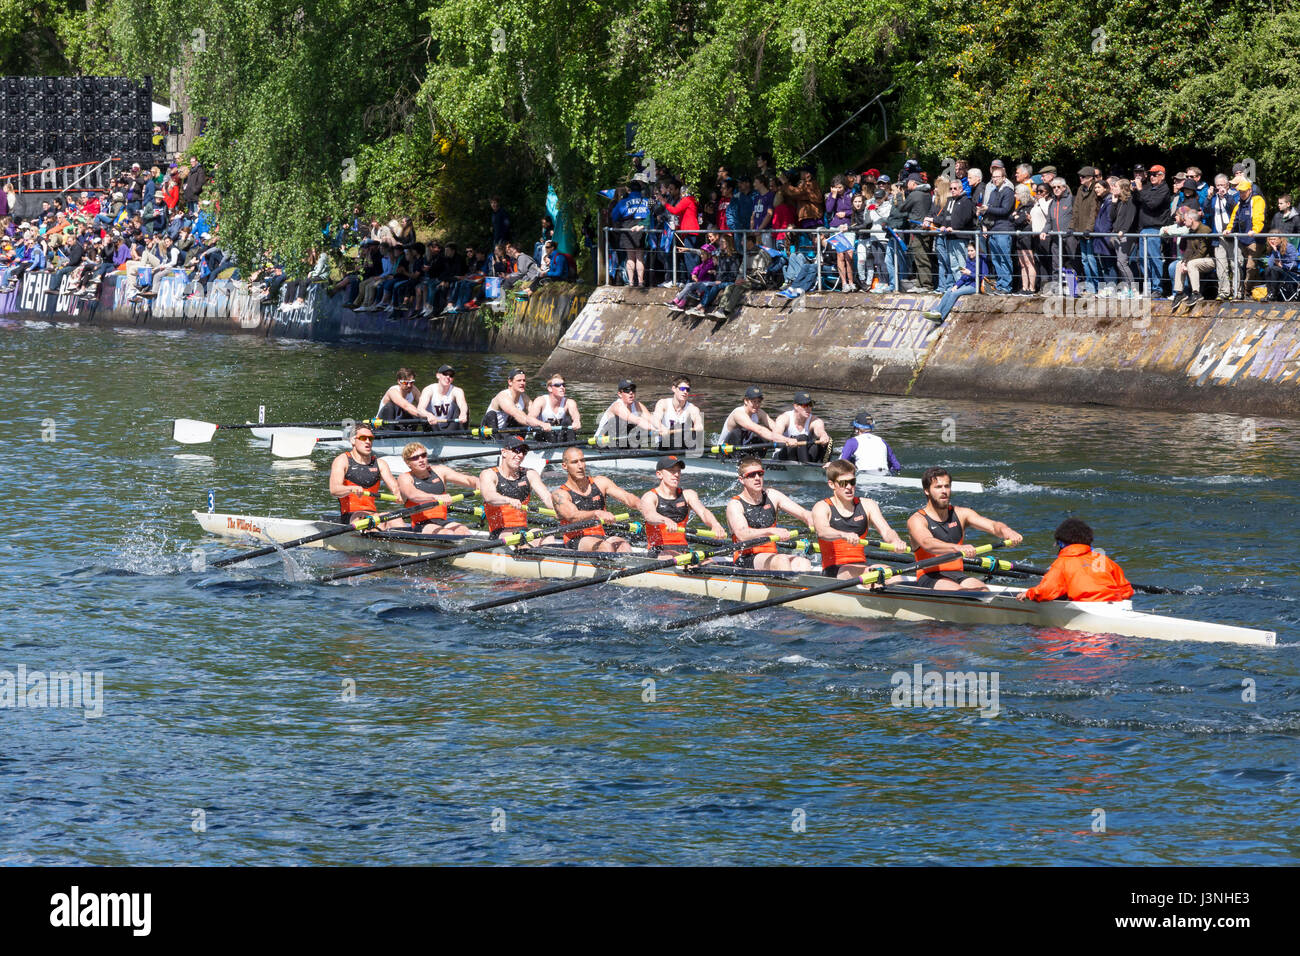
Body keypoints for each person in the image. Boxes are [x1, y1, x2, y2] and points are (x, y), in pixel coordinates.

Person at [906, 467, 1022, 591]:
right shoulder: (917, 519)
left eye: (947, 486)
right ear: (927, 491)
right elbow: (927, 543)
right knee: (962, 593)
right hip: (929, 576)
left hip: (957, 574)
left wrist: (1007, 531)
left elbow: (993, 526)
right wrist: (957, 548)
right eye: (938, 487)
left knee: (983, 591)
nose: (944, 491)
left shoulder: (962, 514)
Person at [811, 460, 905, 578]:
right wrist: (844, 534)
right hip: (835, 571)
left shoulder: (868, 505)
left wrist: (895, 541)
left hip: (861, 567)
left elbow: (887, 531)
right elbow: (822, 531)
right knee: (861, 572)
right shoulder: (822, 507)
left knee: (893, 574)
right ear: (832, 484)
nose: (849, 487)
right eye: (843, 483)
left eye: (852, 482)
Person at [725, 457, 814, 572]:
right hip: (745, 558)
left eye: (760, 474)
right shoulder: (735, 504)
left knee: (803, 562)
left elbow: (804, 513)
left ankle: (801, 589)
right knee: (781, 560)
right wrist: (771, 531)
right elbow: (743, 534)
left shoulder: (772, 495)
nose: (757, 478)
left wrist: (812, 519)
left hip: (771, 556)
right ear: (742, 480)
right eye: (751, 475)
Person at [1017, 519, 1134, 602]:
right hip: (1114, 605)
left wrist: (1028, 594)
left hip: (1087, 615)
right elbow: (1127, 591)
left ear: (1061, 543)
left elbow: (1046, 592)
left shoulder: (1062, 563)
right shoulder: (1103, 559)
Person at [551, 447, 642, 553]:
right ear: (565, 466)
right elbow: (573, 516)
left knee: (624, 546)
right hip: (577, 540)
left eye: (582, 460)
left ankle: (621, 568)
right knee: (605, 547)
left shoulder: (601, 482)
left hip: (601, 536)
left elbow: (627, 498)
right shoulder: (559, 494)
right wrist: (596, 513)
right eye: (575, 462)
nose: (580, 466)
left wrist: (643, 506)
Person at [638, 455, 725, 555]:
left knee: (709, 563)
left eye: (678, 471)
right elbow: (649, 515)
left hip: (683, 549)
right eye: (671, 471)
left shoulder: (688, 494)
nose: (676, 474)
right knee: (670, 557)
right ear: (659, 474)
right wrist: (665, 520)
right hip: (659, 550)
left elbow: (703, 512)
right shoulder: (650, 496)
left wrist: (715, 524)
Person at [478, 436, 555, 538]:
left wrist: (562, 509)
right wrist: (508, 500)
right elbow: (489, 496)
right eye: (516, 450)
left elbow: (547, 498)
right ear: (504, 452)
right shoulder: (489, 474)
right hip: (500, 533)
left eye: (524, 452)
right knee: (518, 538)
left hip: (522, 531)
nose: (520, 455)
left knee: (548, 536)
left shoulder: (530, 474)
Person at [395, 441, 479, 534]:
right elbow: (412, 494)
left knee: (463, 531)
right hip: (421, 524)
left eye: (423, 455)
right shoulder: (405, 477)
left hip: (441, 521)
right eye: (415, 458)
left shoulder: (440, 470)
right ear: (408, 463)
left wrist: (478, 482)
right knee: (447, 533)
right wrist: (436, 497)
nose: (421, 459)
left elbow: (467, 479)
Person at [328, 424, 403, 528]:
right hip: (351, 516)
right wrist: (351, 488)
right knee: (369, 519)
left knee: (396, 518)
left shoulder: (380, 463)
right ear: (353, 440)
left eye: (371, 438)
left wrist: (400, 494)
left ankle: (406, 541)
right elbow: (334, 489)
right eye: (363, 438)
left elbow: (395, 487)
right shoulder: (342, 460)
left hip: (373, 514)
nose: (368, 441)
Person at [717, 385, 799, 450]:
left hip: (742, 447)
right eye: (753, 401)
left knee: (763, 439)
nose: (757, 405)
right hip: (725, 449)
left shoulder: (759, 412)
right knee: (737, 432)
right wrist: (787, 440)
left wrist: (790, 437)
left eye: (759, 402)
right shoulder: (738, 414)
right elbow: (759, 430)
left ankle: (759, 461)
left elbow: (775, 428)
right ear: (746, 401)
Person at [595, 379, 667, 446]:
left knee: (637, 426)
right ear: (620, 394)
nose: (631, 392)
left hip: (622, 440)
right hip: (602, 441)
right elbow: (638, 420)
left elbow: (651, 419)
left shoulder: (637, 405)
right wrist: (655, 430)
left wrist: (663, 428)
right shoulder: (617, 406)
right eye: (627, 390)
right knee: (626, 422)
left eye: (633, 390)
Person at [482, 368, 551, 434]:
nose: (522, 383)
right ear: (510, 382)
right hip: (491, 431)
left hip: (506, 432)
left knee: (526, 420)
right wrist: (541, 424)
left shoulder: (525, 398)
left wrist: (546, 423)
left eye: (524, 380)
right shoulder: (503, 396)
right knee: (519, 418)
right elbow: (517, 415)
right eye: (519, 380)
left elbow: (534, 414)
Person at [770, 391, 832, 463]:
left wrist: (823, 436)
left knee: (829, 440)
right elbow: (775, 436)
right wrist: (788, 440)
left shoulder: (815, 420)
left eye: (810, 404)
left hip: (803, 455)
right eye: (805, 405)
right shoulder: (784, 418)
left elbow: (820, 430)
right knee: (802, 437)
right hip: (783, 455)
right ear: (795, 406)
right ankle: (806, 467)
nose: (808, 408)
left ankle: (823, 467)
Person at [650, 376, 705, 451]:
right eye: (682, 389)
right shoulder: (663, 403)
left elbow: (698, 421)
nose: (685, 392)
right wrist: (661, 428)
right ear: (674, 389)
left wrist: (699, 426)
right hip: (664, 444)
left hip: (682, 444)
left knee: (693, 434)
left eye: (687, 389)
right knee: (677, 427)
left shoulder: (693, 409)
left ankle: (694, 458)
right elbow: (655, 419)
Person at [528, 374, 582, 442]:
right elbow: (529, 419)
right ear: (550, 388)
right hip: (542, 437)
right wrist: (542, 424)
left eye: (563, 385)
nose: (562, 387)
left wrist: (576, 421)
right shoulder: (541, 401)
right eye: (557, 385)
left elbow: (575, 415)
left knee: (568, 422)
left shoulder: (569, 402)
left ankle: (573, 447)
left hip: (560, 437)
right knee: (549, 423)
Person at [416, 364, 469, 431]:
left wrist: (463, 413)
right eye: (445, 374)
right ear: (437, 375)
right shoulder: (429, 390)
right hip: (432, 426)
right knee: (426, 414)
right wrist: (428, 415)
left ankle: (462, 435)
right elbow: (419, 409)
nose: (448, 377)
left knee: (464, 408)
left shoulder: (457, 391)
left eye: (451, 375)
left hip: (449, 427)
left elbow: (462, 404)